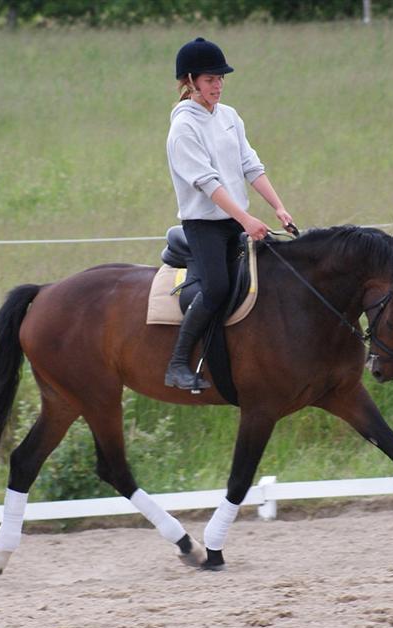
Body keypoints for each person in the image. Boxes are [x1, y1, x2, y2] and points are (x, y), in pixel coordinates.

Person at [164, 37, 294, 390]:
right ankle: (177, 364)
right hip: (204, 225)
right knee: (218, 288)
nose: (218, 85)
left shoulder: (229, 117)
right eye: (210, 80)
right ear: (190, 81)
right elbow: (208, 183)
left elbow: (250, 165)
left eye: (221, 79)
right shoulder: (183, 128)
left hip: (235, 221)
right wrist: (246, 220)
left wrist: (278, 207)